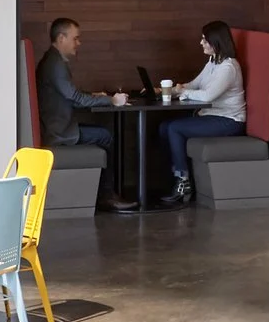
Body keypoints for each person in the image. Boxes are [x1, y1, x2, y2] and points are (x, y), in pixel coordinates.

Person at [35, 18, 132, 213]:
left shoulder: (51, 60)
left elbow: (70, 94)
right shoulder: (55, 64)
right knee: (105, 136)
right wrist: (112, 100)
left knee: (102, 134)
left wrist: (95, 96)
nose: (78, 43)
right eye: (75, 38)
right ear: (61, 38)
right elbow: (75, 98)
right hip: (58, 133)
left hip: (56, 127)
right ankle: (107, 196)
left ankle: (106, 194)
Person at [154, 21, 247, 208]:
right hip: (211, 116)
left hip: (229, 121)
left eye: (205, 40)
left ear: (216, 42)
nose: (201, 43)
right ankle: (176, 176)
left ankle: (183, 183)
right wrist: (168, 91)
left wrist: (183, 92)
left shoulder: (228, 68)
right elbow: (194, 85)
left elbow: (207, 96)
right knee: (164, 127)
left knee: (175, 128)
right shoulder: (213, 62)